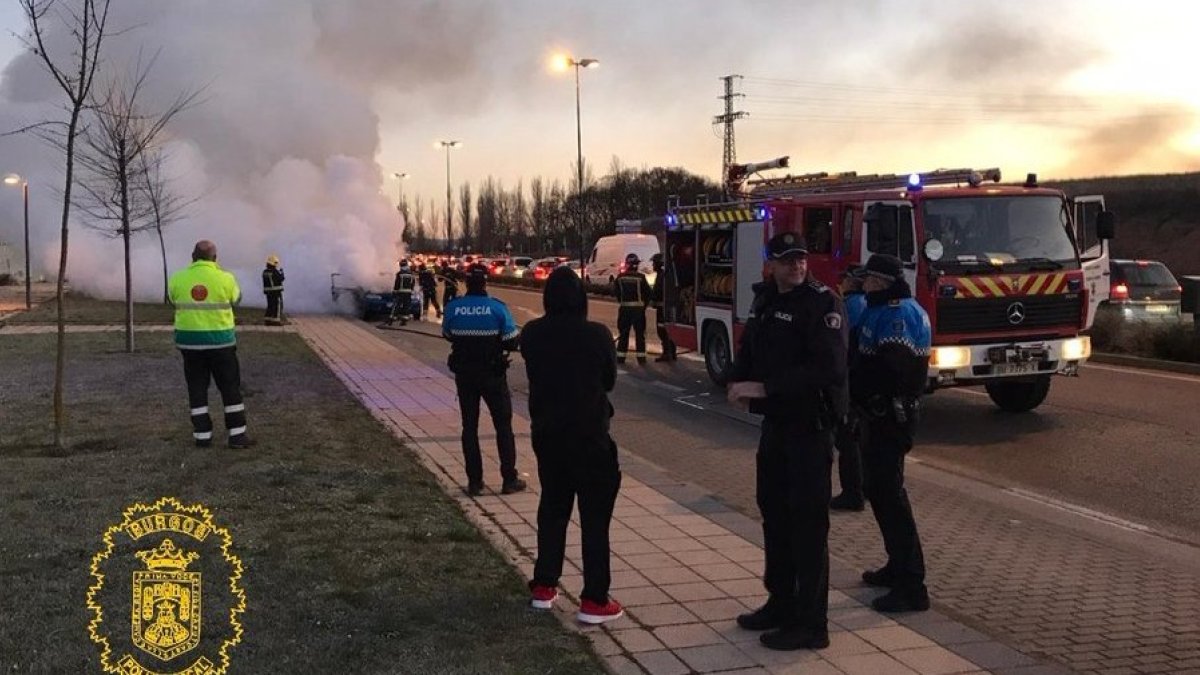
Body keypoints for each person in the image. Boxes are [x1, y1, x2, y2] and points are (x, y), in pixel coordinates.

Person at [727, 231, 847, 651]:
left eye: (801, 259)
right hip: (777, 428)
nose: (797, 266)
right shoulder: (767, 299)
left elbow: (828, 368)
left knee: (808, 527)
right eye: (787, 260)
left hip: (810, 429)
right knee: (774, 516)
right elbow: (752, 346)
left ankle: (812, 624)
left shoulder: (821, 303)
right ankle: (781, 602)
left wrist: (765, 388)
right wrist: (738, 379)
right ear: (771, 265)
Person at [521, 267, 625, 625]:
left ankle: (544, 586)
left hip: (548, 437)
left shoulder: (532, 334)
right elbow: (609, 382)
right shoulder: (597, 335)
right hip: (590, 438)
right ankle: (594, 599)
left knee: (552, 509)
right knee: (595, 521)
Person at [853, 253, 933, 613]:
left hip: (890, 417)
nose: (862, 283)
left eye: (867, 278)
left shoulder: (898, 314)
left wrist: (866, 395)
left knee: (890, 495)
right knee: (880, 491)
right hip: (879, 415)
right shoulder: (881, 307)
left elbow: (893, 372)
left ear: (880, 282)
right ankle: (897, 566)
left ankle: (911, 584)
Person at [442, 264, 527, 496]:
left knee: (469, 427)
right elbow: (511, 340)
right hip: (493, 376)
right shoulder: (497, 308)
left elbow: (447, 334)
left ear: (466, 283)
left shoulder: (453, 308)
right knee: (503, 426)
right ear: (485, 283)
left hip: (465, 377)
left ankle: (475, 482)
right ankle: (509, 479)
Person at [167, 240, 253, 449]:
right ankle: (237, 436)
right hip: (221, 343)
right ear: (215, 258)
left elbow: (171, 299)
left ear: (193, 257)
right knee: (230, 388)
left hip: (190, 344)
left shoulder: (178, 278)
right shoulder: (225, 278)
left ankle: (202, 436)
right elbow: (237, 299)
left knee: (197, 388)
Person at [830, 266, 868, 512]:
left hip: (850, 383)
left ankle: (852, 493)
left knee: (847, 441)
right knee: (861, 439)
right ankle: (863, 489)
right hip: (866, 383)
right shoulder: (869, 304)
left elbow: (840, 346)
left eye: (844, 279)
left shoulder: (848, 306)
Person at [614, 253, 652, 364]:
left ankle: (620, 358)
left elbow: (616, 293)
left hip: (624, 310)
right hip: (638, 312)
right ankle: (641, 358)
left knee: (623, 334)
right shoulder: (641, 277)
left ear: (627, 264)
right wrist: (642, 306)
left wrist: (623, 303)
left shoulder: (620, 278)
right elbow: (648, 294)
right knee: (640, 335)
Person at [650, 253, 677, 362]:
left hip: (662, 309)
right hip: (664, 308)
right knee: (666, 330)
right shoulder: (664, 275)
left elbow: (657, 291)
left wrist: (652, 297)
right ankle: (671, 353)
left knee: (662, 331)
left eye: (654, 263)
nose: (653, 265)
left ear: (658, 264)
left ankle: (667, 353)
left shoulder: (661, 276)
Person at [388, 259, 416, 325]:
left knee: (396, 305)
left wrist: (394, 291)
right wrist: (411, 290)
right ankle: (404, 320)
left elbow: (397, 283)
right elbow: (413, 283)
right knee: (406, 306)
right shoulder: (411, 274)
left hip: (400, 292)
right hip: (408, 293)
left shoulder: (399, 274)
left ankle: (392, 319)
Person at [261, 254, 285, 326]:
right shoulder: (274, 271)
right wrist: (282, 273)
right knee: (277, 306)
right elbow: (281, 279)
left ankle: (268, 320)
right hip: (276, 292)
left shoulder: (264, 272)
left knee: (270, 306)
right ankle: (276, 321)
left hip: (268, 292)